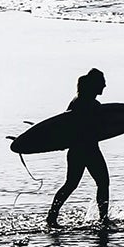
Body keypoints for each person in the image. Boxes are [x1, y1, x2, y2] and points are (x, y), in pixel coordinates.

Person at [47, 68, 111, 229]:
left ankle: (52, 216)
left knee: (71, 184)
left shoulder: (77, 101)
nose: (105, 85)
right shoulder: (90, 104)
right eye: (102, 82)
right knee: (102, 182)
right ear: (95, 84)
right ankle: (103, 220)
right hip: (87, 149)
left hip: (77, 150)